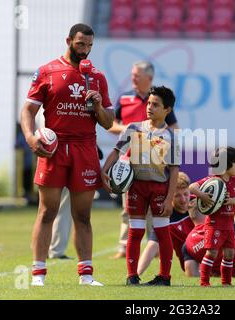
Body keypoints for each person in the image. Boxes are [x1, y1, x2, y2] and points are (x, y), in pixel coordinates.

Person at [20, 23, 114, 286]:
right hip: (55, 149)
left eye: (90, 46)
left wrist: (97, 105)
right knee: (46, 211)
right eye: (81, 44)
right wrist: (30, 137)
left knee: (83, 215)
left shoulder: (97, 78)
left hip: (85, 149)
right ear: (69, 41)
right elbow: (28, 111)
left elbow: (108, 122)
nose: (85, 51)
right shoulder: (47, 71)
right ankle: (38, 274)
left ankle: (86, 275)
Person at [102, 85, 180, 286]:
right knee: (135, 231)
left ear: (167, 110)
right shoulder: (134, 128)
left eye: (156, 105)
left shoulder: (171, 137)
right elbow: (116, 151)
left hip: (159, 189)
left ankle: (164, 277)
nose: (150, 107)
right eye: (149, 103)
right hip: (136, 187)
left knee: (162, 232)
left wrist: (170, 198)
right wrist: (104, 170)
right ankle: (131, 276)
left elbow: (173, 171)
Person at [136, 171, 235, 276]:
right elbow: (151, 248)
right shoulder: (165, 218)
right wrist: (136, 274)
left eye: (186, 194)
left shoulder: (199, 202)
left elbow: (225, 221)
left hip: (217, 242)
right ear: (170, 196)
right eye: (177, 196)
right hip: (194, 257)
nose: (183, 200)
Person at [189, 147, 235, 287]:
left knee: (229, 253)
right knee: (212, 253)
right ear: (226, 164)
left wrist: (230, 200)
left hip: (229, 226)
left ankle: (226, 282)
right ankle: (204, 282)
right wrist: (203, 195)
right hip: (214, 225)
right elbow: (192, 187)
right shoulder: (212, 181)